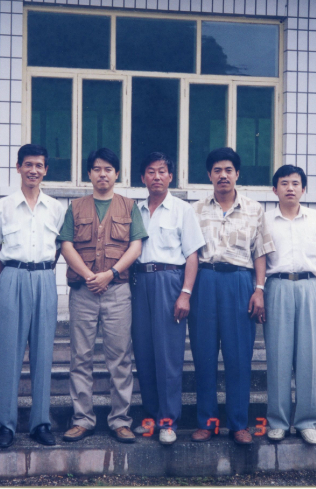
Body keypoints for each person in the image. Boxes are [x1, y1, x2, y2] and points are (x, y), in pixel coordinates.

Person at [59, 148, 147, 444]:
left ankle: (120, 420)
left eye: (108, 169)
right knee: (80, 357)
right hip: (83, 292)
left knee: (119, 358)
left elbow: (136, 246)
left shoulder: (129, 206)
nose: (102, 174)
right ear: (89, 174)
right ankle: (82, 419)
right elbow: (66, 246)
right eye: (97, 169)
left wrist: (110, 273)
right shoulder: (75, 207)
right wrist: (88, 275)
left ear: (117, 174)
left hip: (118, 291)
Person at [189, 147, 274, 446]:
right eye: (217, 170)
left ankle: (239, 424)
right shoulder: (196, 209)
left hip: (239, 282)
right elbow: (190, 254)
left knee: (239, 356)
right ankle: (207, 423)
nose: (223, 175)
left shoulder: (255, 209)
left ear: (237, 174)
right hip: (205, 280)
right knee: (204, 354)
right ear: (209, 175)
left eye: (228, 170)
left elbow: (260, 252)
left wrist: (259, 290)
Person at [0, 144, 65, 448]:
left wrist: (41, 272)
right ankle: (6, 424)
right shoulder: (2, 206)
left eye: (39, 165)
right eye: (28, 164)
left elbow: (58, 248)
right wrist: (12, 275)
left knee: (44, 354)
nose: (33, 170)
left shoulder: (56, 208)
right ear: (18, 167)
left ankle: (40, 423)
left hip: (45, 278)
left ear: (45, 170)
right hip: (12, 277)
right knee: (9, 353)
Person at [132, 152, 205, 445]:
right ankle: (150, 418)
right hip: (139, 282)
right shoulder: (135, 210)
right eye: (150, 172)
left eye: (162, 171)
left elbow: (192, 255)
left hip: (170, 281)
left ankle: (168, 422)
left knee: (168, 356)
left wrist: (185, 293)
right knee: (145, 353)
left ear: (170, 176)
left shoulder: (182, 210)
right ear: (142, 178)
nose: (157, 177)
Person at [263, 164, 316, 445]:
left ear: (303, 189)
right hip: (277, 287)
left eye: (295, 183)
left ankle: (307, 421)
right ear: (275, 190)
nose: (290, 188)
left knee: (308, 357)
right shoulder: (265, 220)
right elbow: (259, 260)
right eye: (284, 183)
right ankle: (279, 422)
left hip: (309, 287)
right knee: (279, 357)